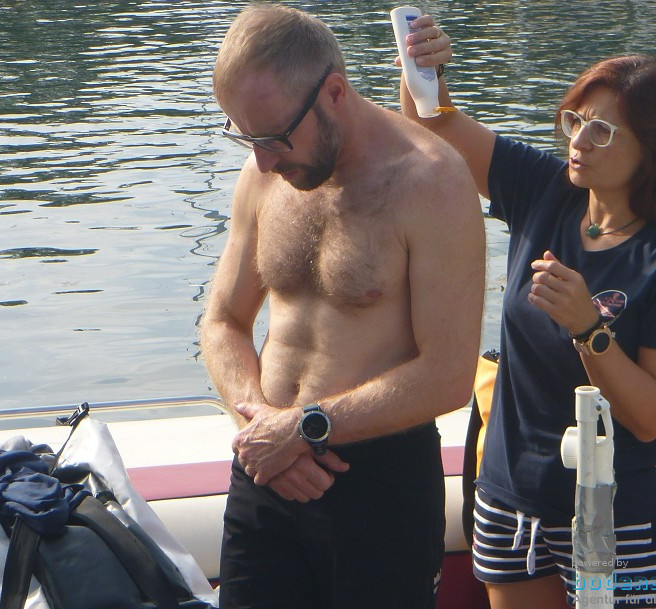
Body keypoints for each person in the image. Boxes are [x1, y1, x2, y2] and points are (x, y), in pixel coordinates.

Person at [398, 17, 656, 609]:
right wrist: (421, 68)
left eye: (602, 131)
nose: (578, 141)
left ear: (653, 149)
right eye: (575, 121)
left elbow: (653, 416)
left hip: (617, 514)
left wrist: (588, 329)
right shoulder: (547, 189)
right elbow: (433, 126)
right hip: (510, 501)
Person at [200, 5, 484, 609]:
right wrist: (262, 432)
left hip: (375, 486)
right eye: (245, 137)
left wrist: (305, 428)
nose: (263, 161)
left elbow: (449, 374)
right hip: (267, 472)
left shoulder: (431, 183)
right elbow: (223, 321)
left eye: (274, 138)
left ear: (333, 92)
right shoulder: (265, 174)